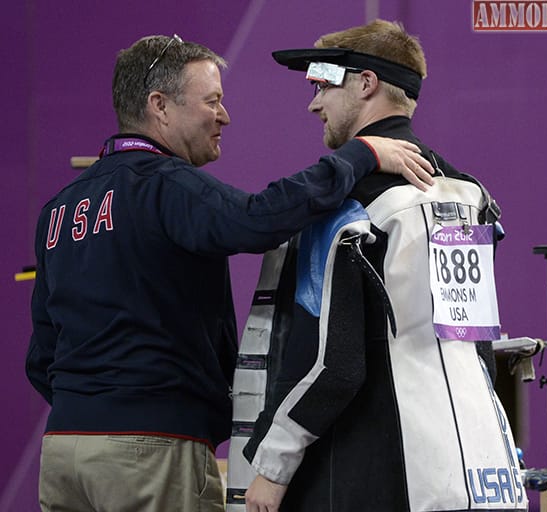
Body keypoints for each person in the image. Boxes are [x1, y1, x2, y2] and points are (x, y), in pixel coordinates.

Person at [24, 34, 435, 512]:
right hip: (149, 448)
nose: (224, 116)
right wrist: (361, 155)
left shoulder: (59, 209)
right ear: (159, 106)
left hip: (63, 452)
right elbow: (258, 218)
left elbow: (42, 355)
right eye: (212, 101)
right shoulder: (166, 186)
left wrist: (93, 409)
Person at [227, 20, 528, 512]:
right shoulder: (472, 197)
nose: (313, 102)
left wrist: (272, 467)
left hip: (373, 473)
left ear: (365, 83)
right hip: (480, 468)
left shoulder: (346, 205)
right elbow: (475, 345)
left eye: (323, 83)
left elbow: (333, 362)